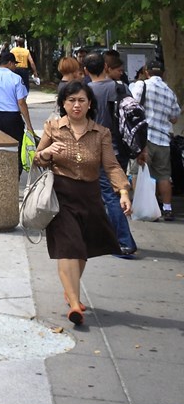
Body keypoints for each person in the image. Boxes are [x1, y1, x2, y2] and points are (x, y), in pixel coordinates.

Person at [33, 80, 132, 325]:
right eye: (71, 100)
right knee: (69, 246)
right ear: (63, 104)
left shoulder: (101, 133)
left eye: (81, 100)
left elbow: (110, 166)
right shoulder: (53, 127)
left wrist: (123, 191)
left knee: (82, 249)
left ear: (89, 104)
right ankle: (75, 304)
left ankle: (70, 290)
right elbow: (36, 159)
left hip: (89, 196)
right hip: (62, 195)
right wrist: (45, 154)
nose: (76, 105)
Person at [83, 51, 139, 257]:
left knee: (109, 195)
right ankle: (107, 236)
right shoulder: (121, 87)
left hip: (96, 148)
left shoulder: (85, 91)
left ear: (86, 70)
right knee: (112, 192)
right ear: (105, 67)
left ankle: (124, 242)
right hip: (120, 147)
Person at [130, 59, 181, 222]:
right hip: (163, 140)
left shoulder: (141, 85)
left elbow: (132, 105)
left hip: (144, 138)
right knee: (164, 175)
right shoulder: (169, 91)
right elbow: (174, 118)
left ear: (146, 71)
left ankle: (141, 207)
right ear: (163, 73)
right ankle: (167, 208)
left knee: (138, 172)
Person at [0, 49, 36, 169]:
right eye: (14, 64)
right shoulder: (16, 79)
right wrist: (29, 124)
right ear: (9, 63)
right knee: (15, 147)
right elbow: (21, 102)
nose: (15, 67)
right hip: (13, 118)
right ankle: (14, 175)